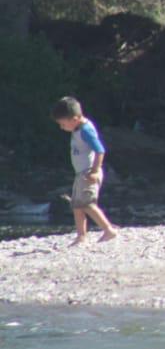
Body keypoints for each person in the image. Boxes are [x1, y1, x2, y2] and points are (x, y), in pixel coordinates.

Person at [50, 96, 119, 245]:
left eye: (63, 124)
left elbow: (100, 150)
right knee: (77, 205)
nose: (62, 127)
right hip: (80, 174)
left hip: (88, 173)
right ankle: (81, 235)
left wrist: (94, 171)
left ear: (74, 119)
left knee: (87, 204)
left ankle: (108, 230)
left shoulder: (86, 130)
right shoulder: (77, 128)